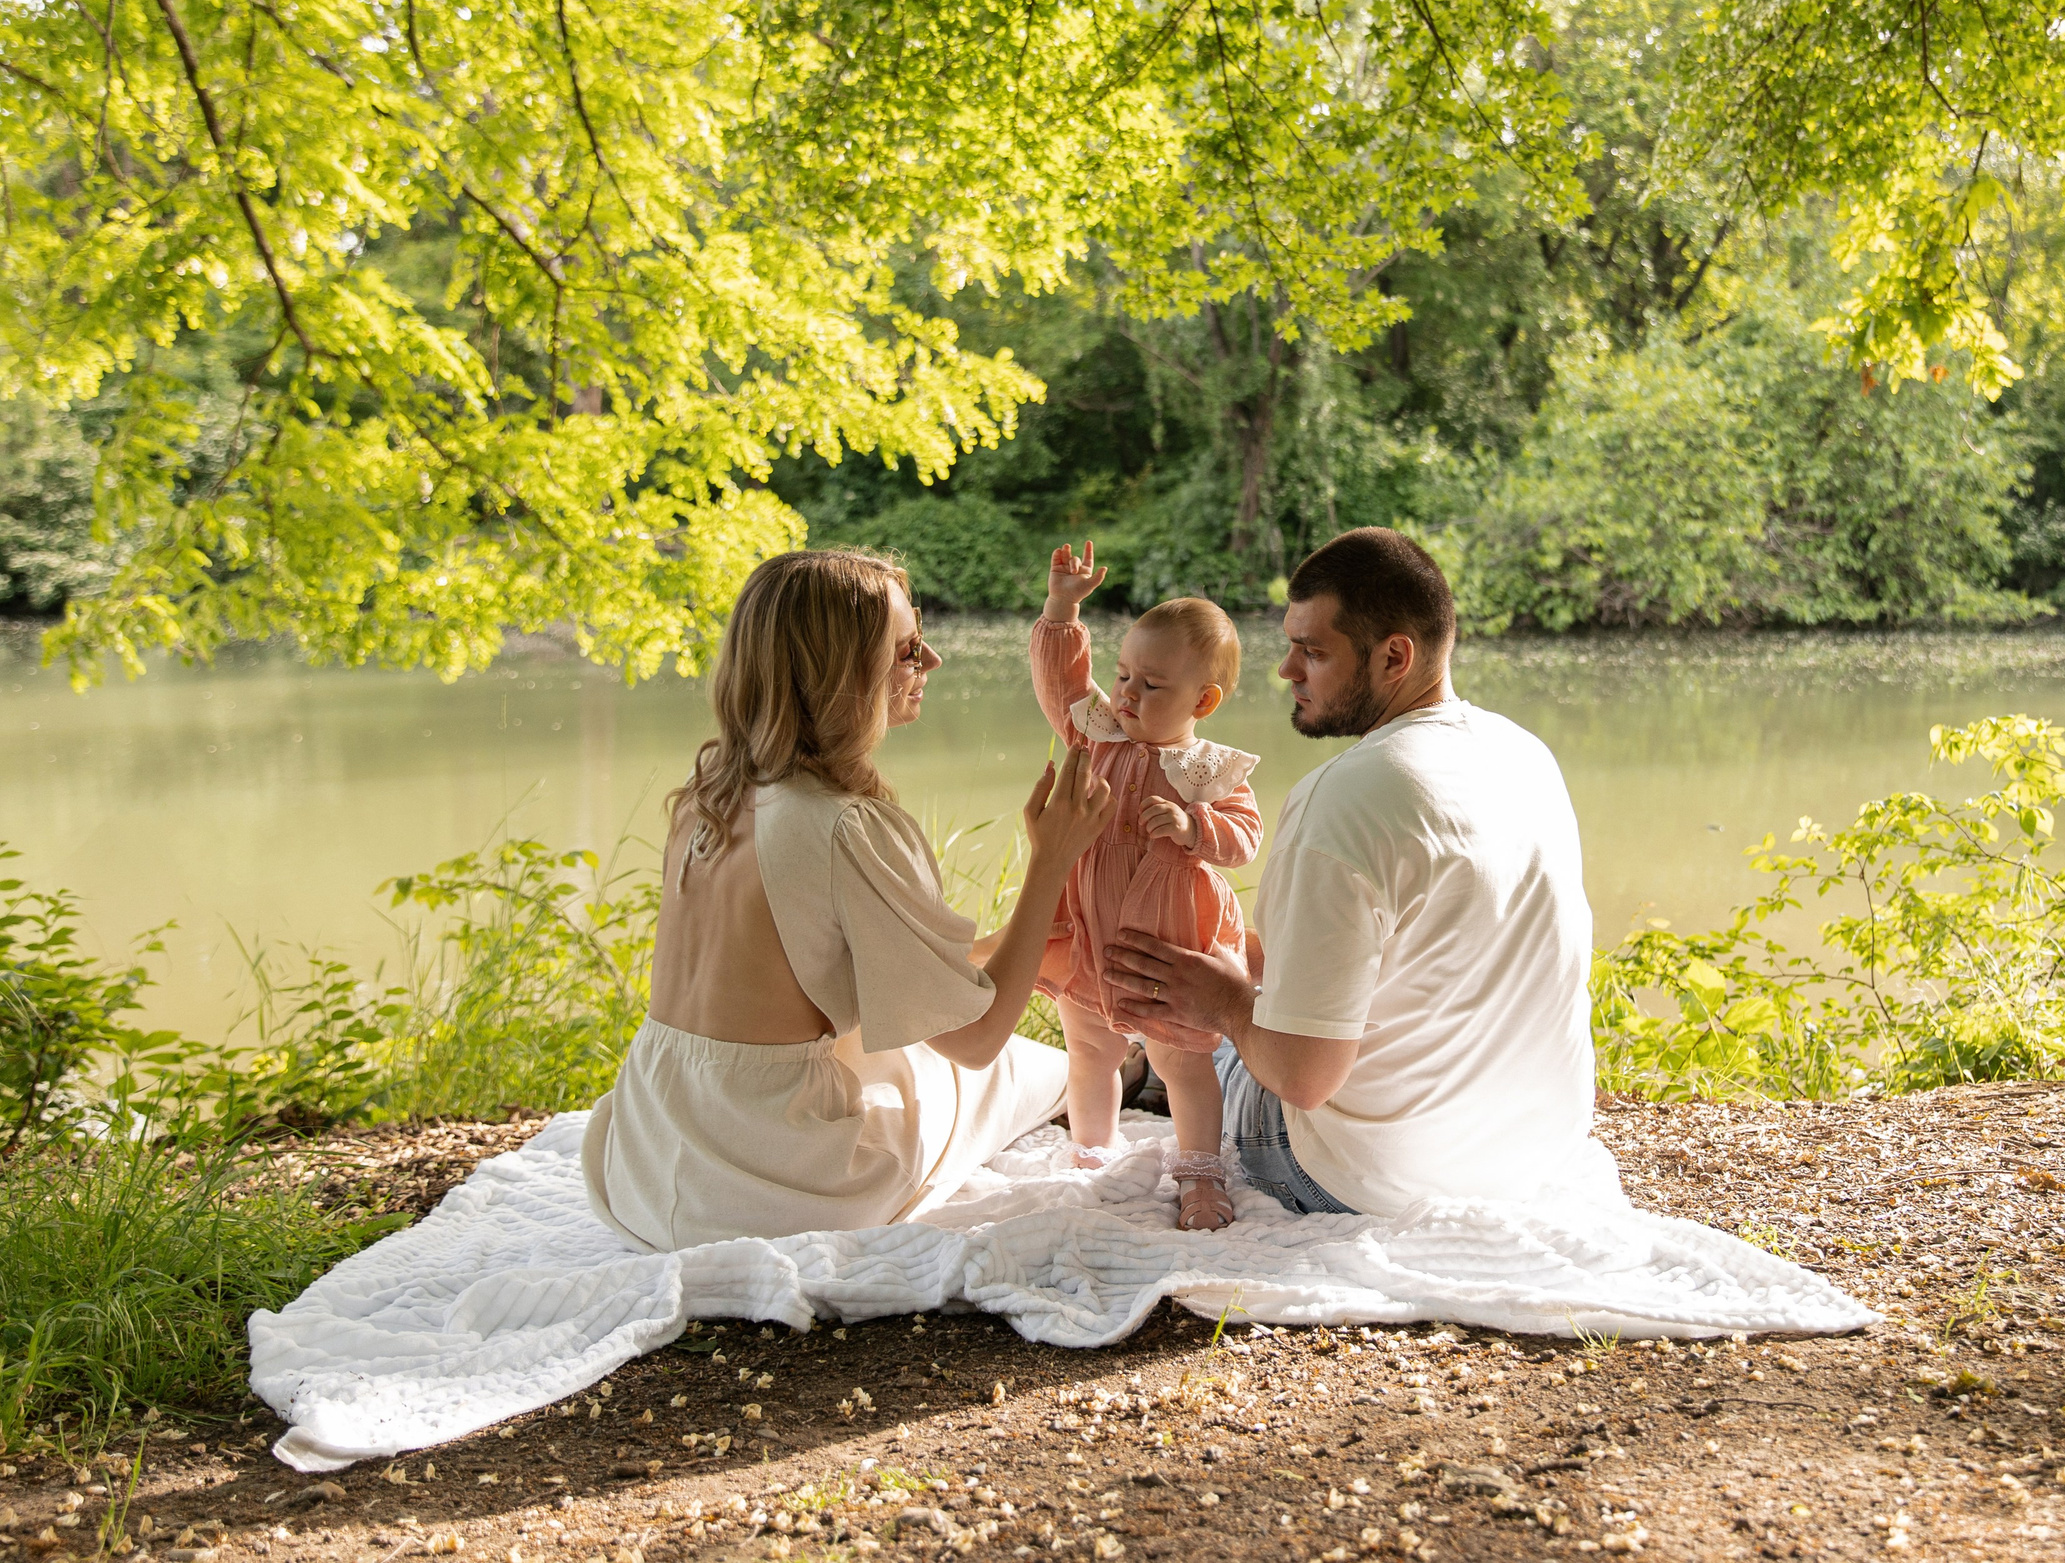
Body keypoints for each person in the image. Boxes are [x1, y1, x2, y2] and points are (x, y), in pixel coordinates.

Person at [580, 549, 1113, 1252]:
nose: (934, 661)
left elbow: (813, 973)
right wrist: (1051, 860)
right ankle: (1126, 1064)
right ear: (840, 674)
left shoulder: (713, 781)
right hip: (765, 1185)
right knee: (1008, 1069)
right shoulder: (840, 825)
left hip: (648, 1157)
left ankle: (1109, 1063)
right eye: (906, 648)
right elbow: (977, 1039)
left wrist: (1000, 951)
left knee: (910, 1053)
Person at [1103, 528, 1613, 1217]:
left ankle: (1133, 1065)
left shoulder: (1343, 794)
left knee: (1195, 1041)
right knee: (1225, 981)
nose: (1286, 669)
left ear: (1394, 655)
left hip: (1360, 1177)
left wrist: (1221, 999)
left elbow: (1300, 1078)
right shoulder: (1524, 753)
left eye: (1313, 651)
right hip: (1535, 1156)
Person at [1030, 542, 1261, 1230]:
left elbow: (1245, 838)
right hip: (1091, 929)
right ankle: (1094, 1153)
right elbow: (1064, 685)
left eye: (1150, 685)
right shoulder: (1098, 735)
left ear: (1204, 699)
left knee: (1183, 1059)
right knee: (1090, 1047)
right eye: (1124, 674)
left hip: (1169, 939)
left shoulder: (1207, 769)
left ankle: (1199, 1174)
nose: (1126, 693)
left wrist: (1193, 827)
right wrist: (1063, 609)